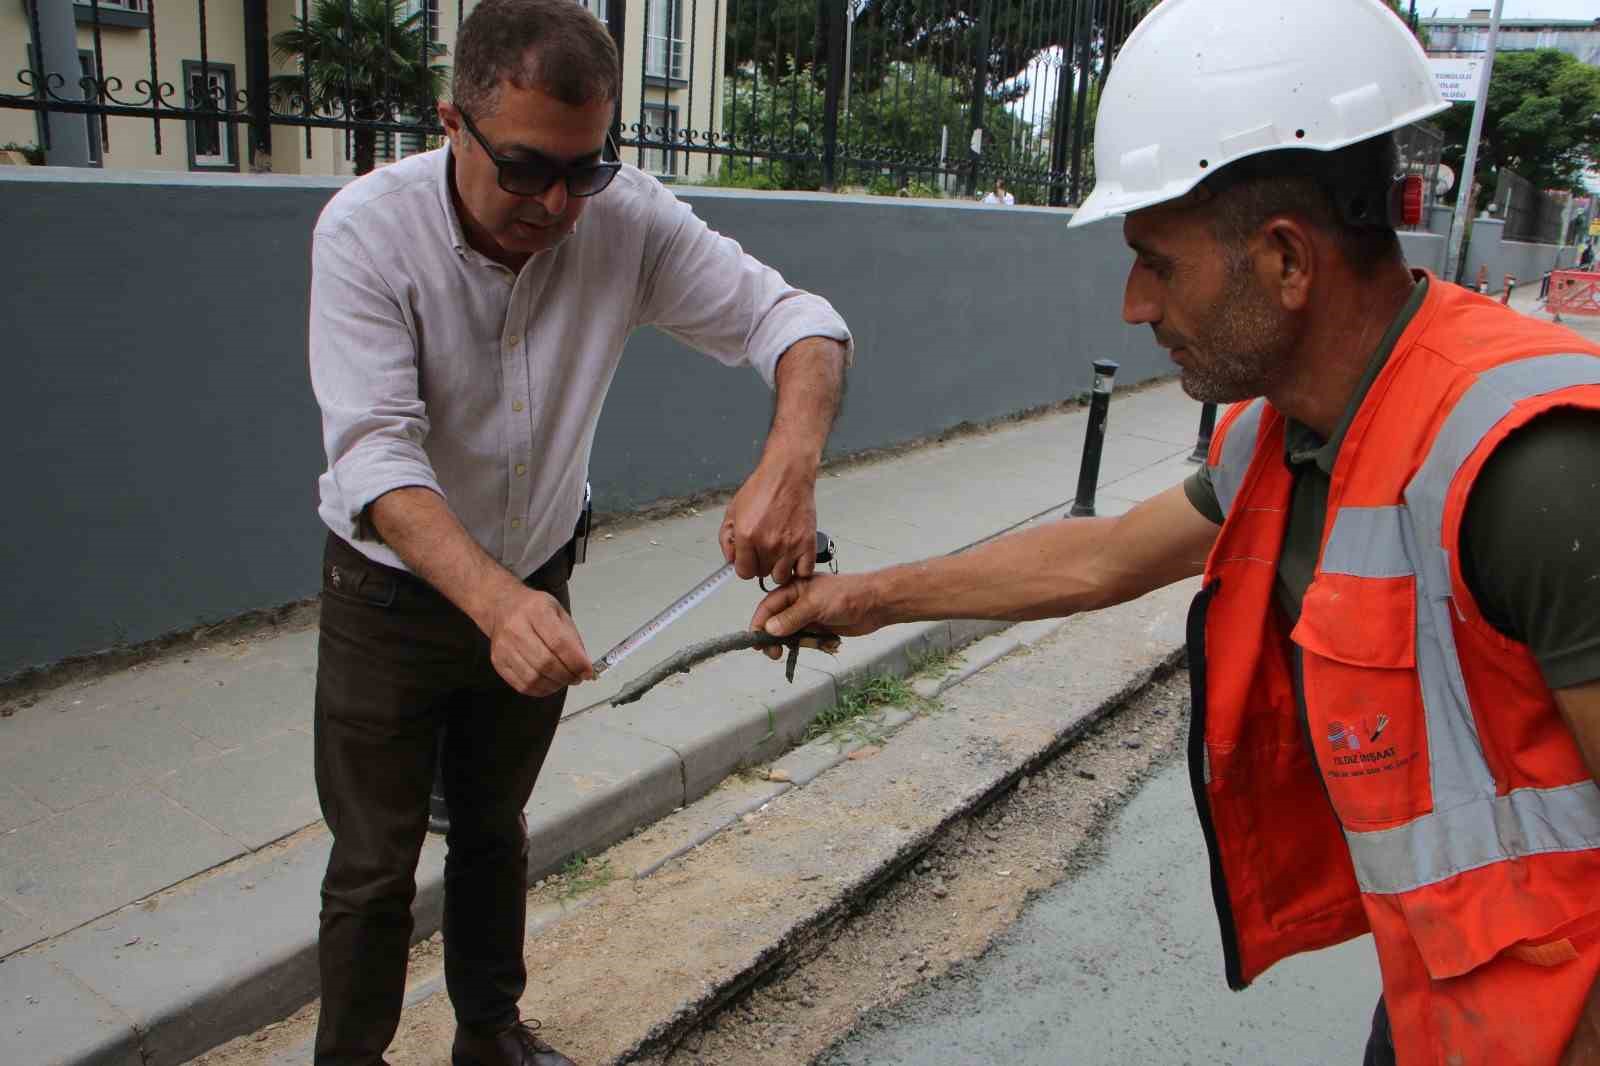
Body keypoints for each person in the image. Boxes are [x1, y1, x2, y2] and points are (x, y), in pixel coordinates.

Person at [750, 0, 1600, 1062]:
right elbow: (1104, 557)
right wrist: (858, 598)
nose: (1132, 304)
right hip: (1450, 999)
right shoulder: (1292, 431)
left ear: (1287, 261)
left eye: (1157, 260)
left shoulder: (1534, 469)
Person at [306, 0, 852, 1062]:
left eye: (584, 169)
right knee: (373, 865)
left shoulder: (626, 217)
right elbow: (374, 456)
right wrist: (496, 601)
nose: (557, 203)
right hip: (388, 593)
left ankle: (489, 1033)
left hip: (540, 566)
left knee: (495, 828)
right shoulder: (366, 232)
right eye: (524, 168)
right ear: (451, 124)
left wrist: (790, 465)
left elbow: (799, 322)